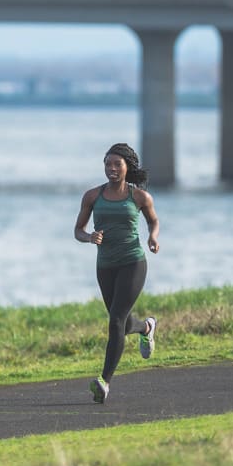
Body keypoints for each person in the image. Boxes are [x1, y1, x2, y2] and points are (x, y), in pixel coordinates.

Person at [73, 142, 161, 403]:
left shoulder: (139, 197)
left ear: (127, 167)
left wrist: (153, 238)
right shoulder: (92, 196)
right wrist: (89, 237)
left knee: (115, 321)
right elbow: (78, 229)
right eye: (108, 164)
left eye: (117, 164)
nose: (111, 168)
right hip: (105, 266)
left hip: (133, 262)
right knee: (120, 321)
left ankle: (104, 382)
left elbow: (153, 220)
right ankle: (146, 327)